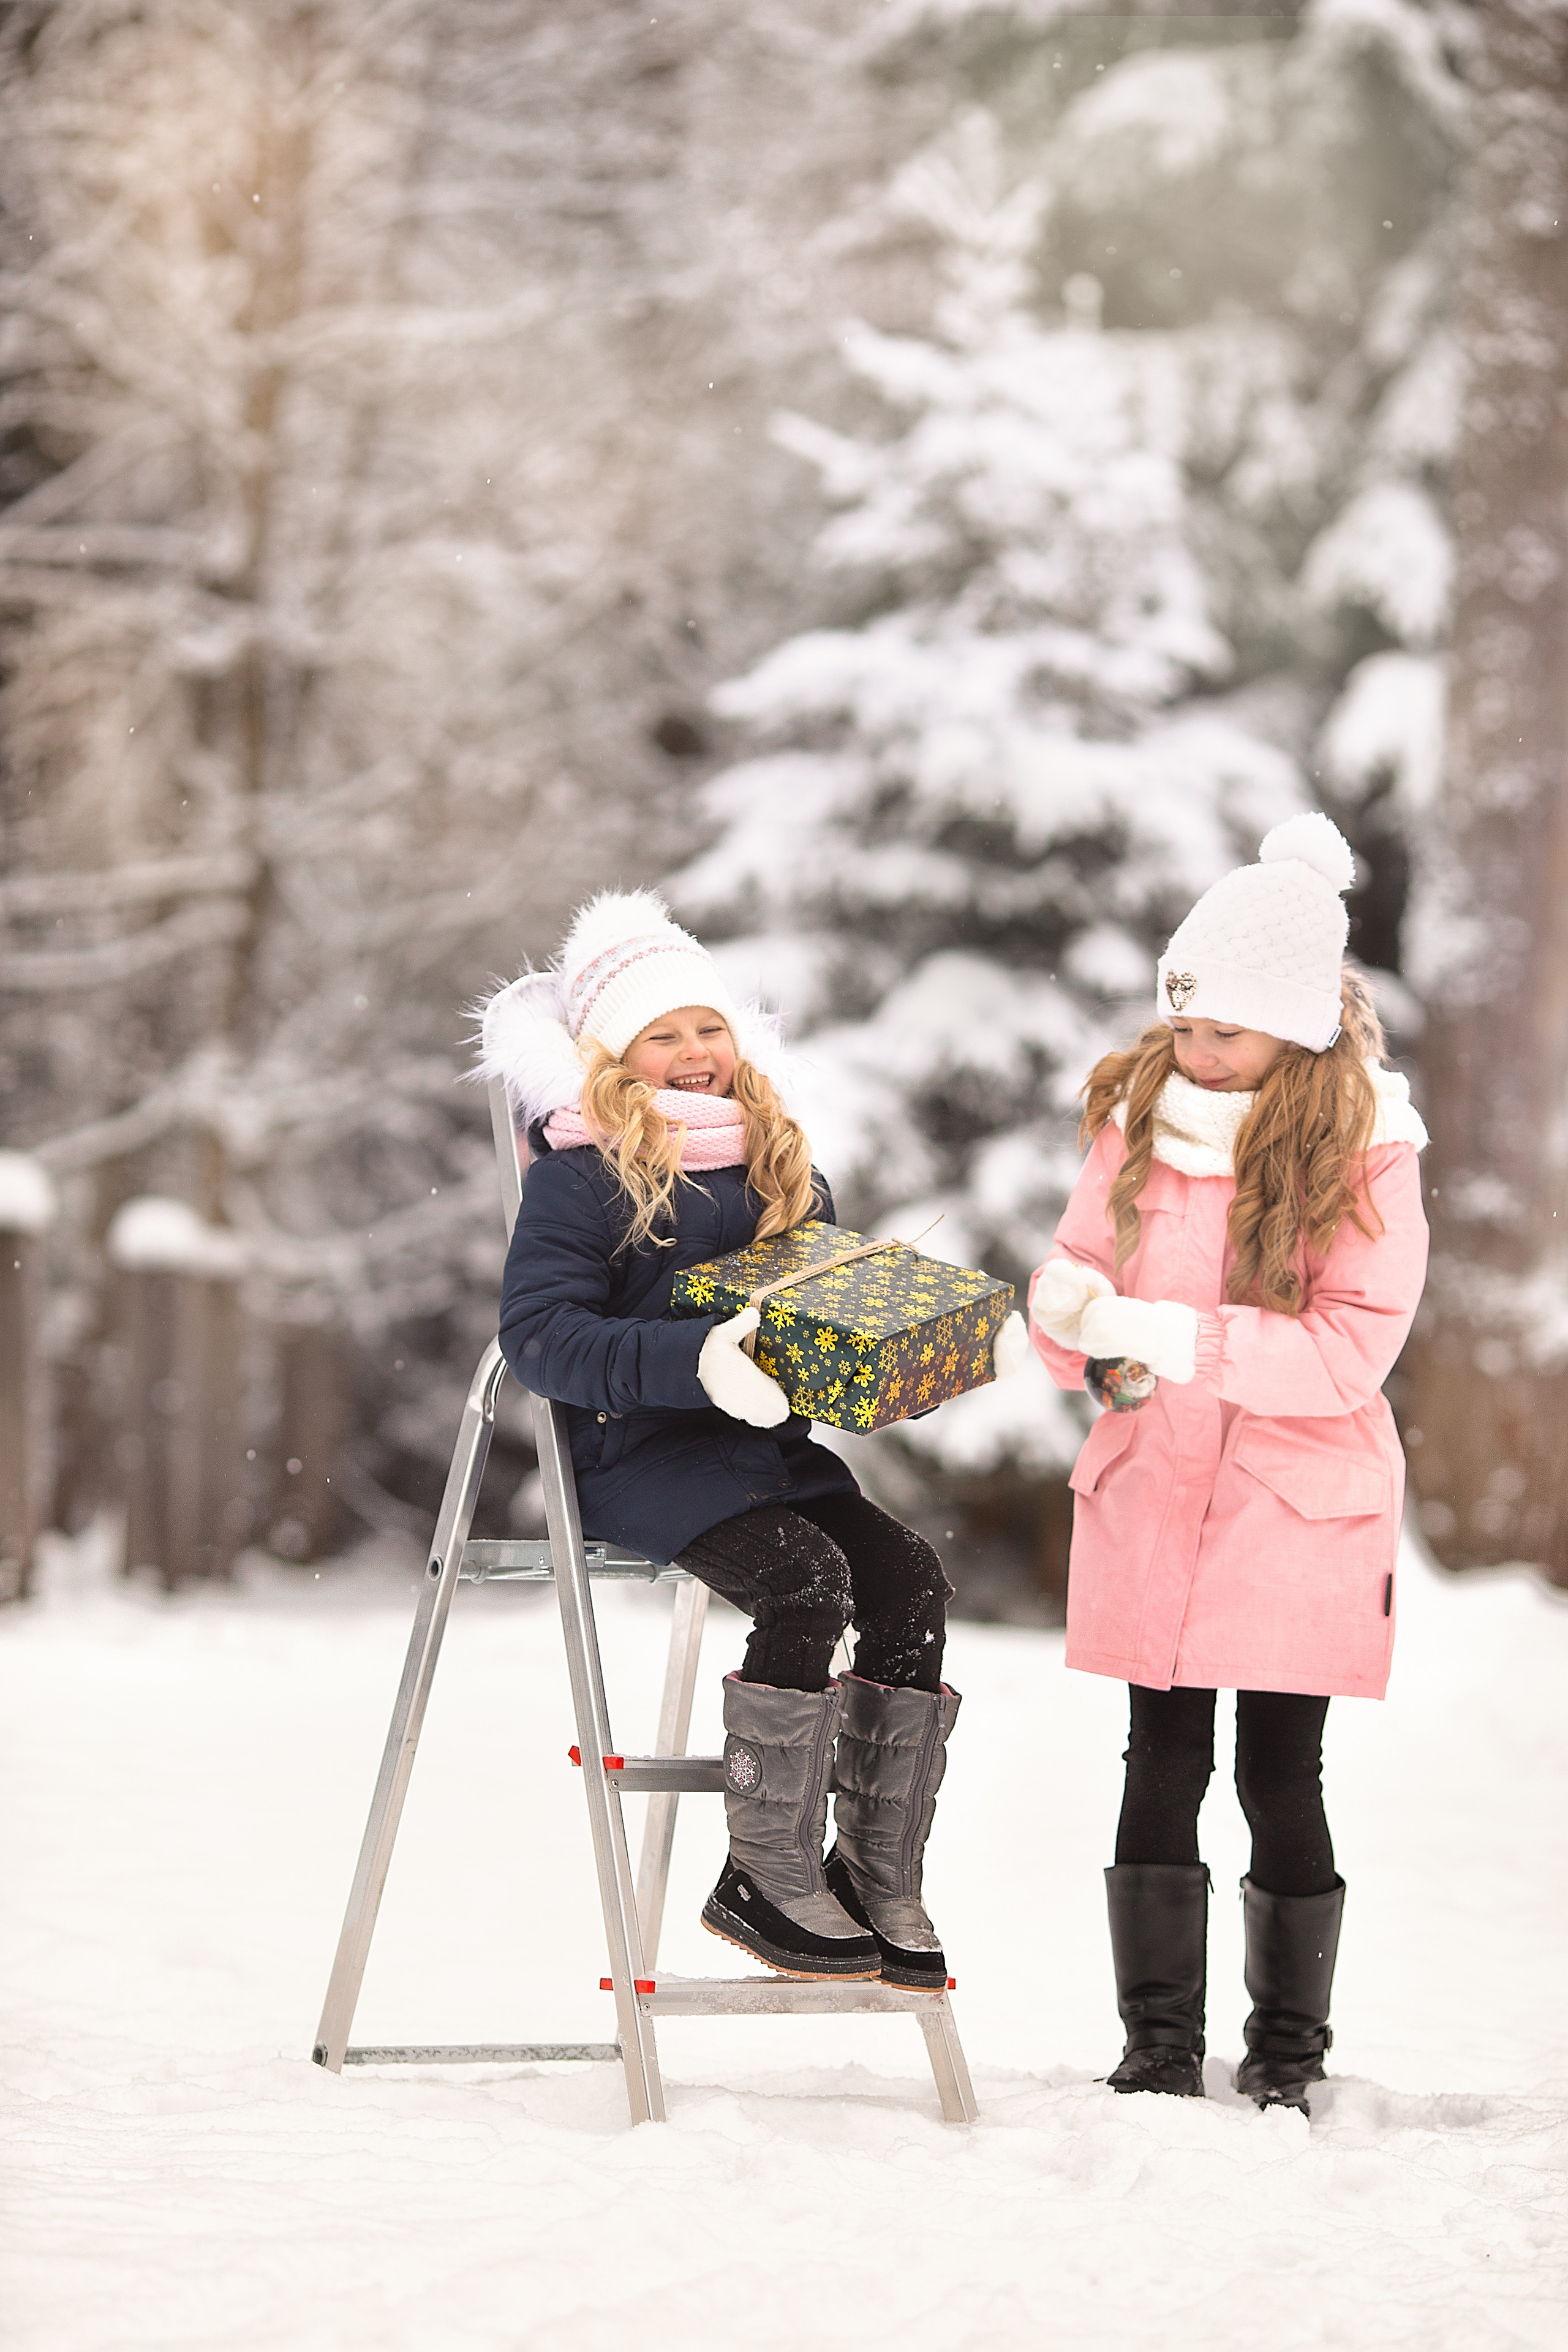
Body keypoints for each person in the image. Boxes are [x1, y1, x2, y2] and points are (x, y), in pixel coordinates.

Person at [478, 889, 1027, 1988]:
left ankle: (875, 1867)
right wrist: (693, 1365)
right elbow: (539, 1340)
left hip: (773, 1458)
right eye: (660, 1035)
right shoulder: (583, 1175)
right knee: (807, 1583)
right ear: (612, 1056)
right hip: (638, 1458)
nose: (693, 1052)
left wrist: (917, 1355)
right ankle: (763, 1875)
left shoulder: (778, 1161)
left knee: (909, 1578)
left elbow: (816, 1314)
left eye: (708, 1027)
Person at [1027, 814, 1429, 2112]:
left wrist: (1173, 1335)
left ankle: (1283, 2057)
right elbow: (1083, 1259)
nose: (1193, 1052)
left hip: (1288, 1507)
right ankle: (1154, 2047)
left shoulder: (1363, 1147)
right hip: (1157, 1487)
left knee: (1273, 1771)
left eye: (1222, 1032)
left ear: (1298, 1025)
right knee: (1157, 1761)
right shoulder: (1141, 1120)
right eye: (1183, 1023)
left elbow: (1343, 1353)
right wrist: (1078, 1322)